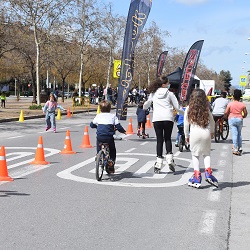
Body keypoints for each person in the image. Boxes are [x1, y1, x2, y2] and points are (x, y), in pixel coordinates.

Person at [143, 76, 183, 173]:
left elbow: (147, 104)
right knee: (168, 138)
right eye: (168, 83)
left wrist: (144, 107)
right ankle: (169, 159)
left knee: (159, 140)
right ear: (164, 84)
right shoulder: (170, 94)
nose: (169, 84)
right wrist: (185, 114)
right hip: (168, 118)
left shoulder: (153, 93)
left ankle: (158, 162)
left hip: (157, 118)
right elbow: (177, 107)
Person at [184, 89, 218, 188]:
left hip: (194, 133)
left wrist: (187, 136)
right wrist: (212, 132)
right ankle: (208, 173)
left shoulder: (189, 108)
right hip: (206, 133)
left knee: (195, 155)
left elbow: (186, 124)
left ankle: (197, 176)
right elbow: (212, 122)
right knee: (206, 154)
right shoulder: (206, 109)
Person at [90, 100, 126, 174]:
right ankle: (111, 160)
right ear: (110, 109)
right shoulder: (113, 116)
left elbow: (91, 124)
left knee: (98, 143)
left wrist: (95, 126)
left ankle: (98, 155)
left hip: (100, 136)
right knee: (112, 149)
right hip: (109, 137)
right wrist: (123, 131)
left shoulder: (98, 115)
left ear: (100, 109)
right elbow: (118, 126)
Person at [224, 89, 248, 156]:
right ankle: (240, 147)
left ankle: (235, 148)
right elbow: (245, 113)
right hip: (239, 119)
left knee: (234, 134)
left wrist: (226, 116)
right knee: (239, 134)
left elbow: (226, 112)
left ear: (233, 96)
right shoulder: (242, 104)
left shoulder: (230, 104)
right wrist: (243, 116)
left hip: (231, 119)